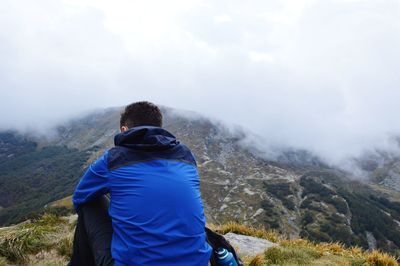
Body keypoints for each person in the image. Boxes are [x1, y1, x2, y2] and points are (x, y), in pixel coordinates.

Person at [69, 101, 212, 266]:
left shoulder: (114, 159)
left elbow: (80, 197)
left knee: (90, 202)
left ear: (124, 129)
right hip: (198, 262)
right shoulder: (187, 156)